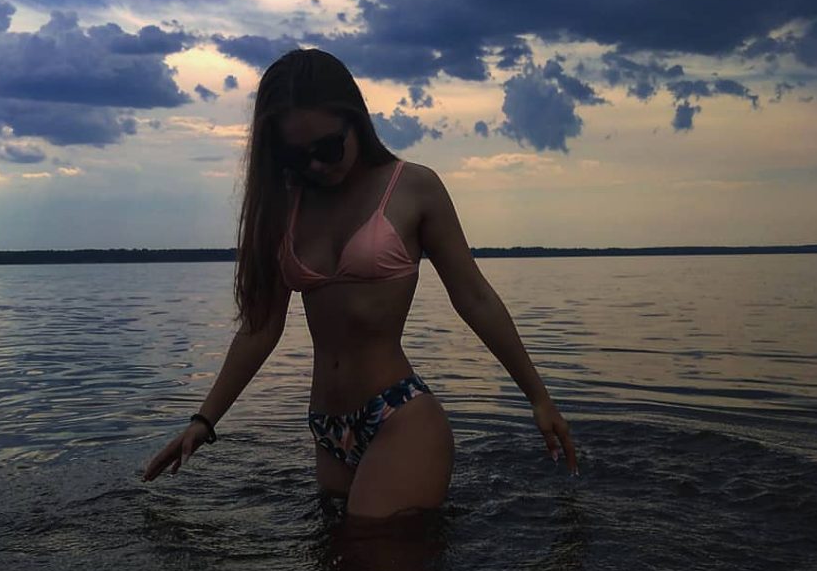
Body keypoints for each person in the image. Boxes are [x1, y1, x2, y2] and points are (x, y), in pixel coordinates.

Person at [142, 48, 578, 518]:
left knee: (368, 550)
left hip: (399, 415)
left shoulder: (413, 188)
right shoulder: (285, 206)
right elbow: (260, 327)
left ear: (356, 121)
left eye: (328, 148)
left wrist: (538, 397)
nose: (315, 166)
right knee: (340, 559)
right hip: (327, 428)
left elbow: (474, 297)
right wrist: (204, 420)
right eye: (297, 155)